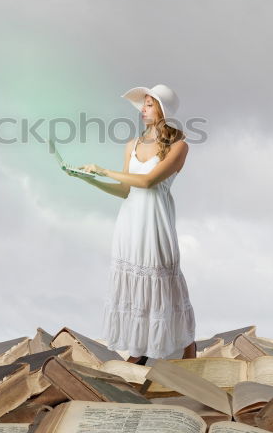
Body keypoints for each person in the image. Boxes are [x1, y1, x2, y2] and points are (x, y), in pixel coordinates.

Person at [68, 84, 196, 364]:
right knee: (136, 284)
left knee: (163, 282)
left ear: (163, 110)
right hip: (130, 222)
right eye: (144, 104)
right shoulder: (132, 146)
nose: (143, 109)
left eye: (149, 104)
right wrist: (91, 179)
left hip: (155, 222)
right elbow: (126, 190)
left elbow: (148, 182)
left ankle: (188, 348)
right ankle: (139, 350)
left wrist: (102, 169)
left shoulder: (179, 146)